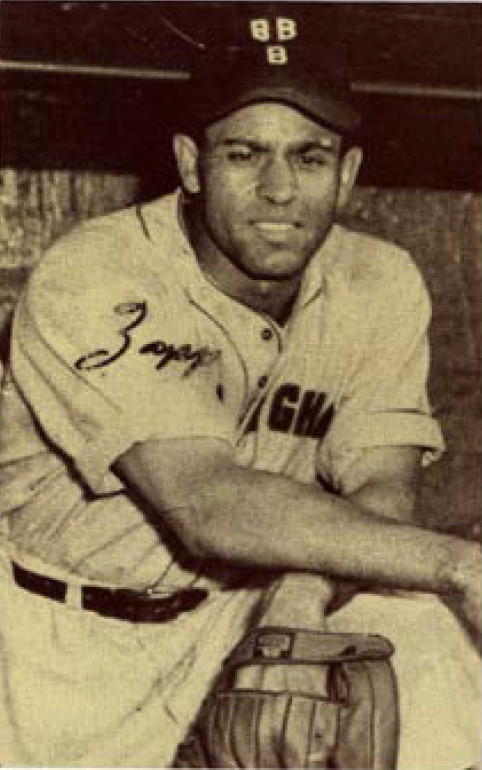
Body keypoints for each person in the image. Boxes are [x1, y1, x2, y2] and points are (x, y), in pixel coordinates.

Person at [0, 8, 480, 768]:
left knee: (425, 628)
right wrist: (460, 563)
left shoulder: (377, 281)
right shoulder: (95, 273)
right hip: (57, 642)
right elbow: (206, 504)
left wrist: (301, 589)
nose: (279, 189)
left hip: (235, 617)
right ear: (192, 164)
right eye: (245, 154)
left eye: (311, 157)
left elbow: (382, 486)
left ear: (348, 173)